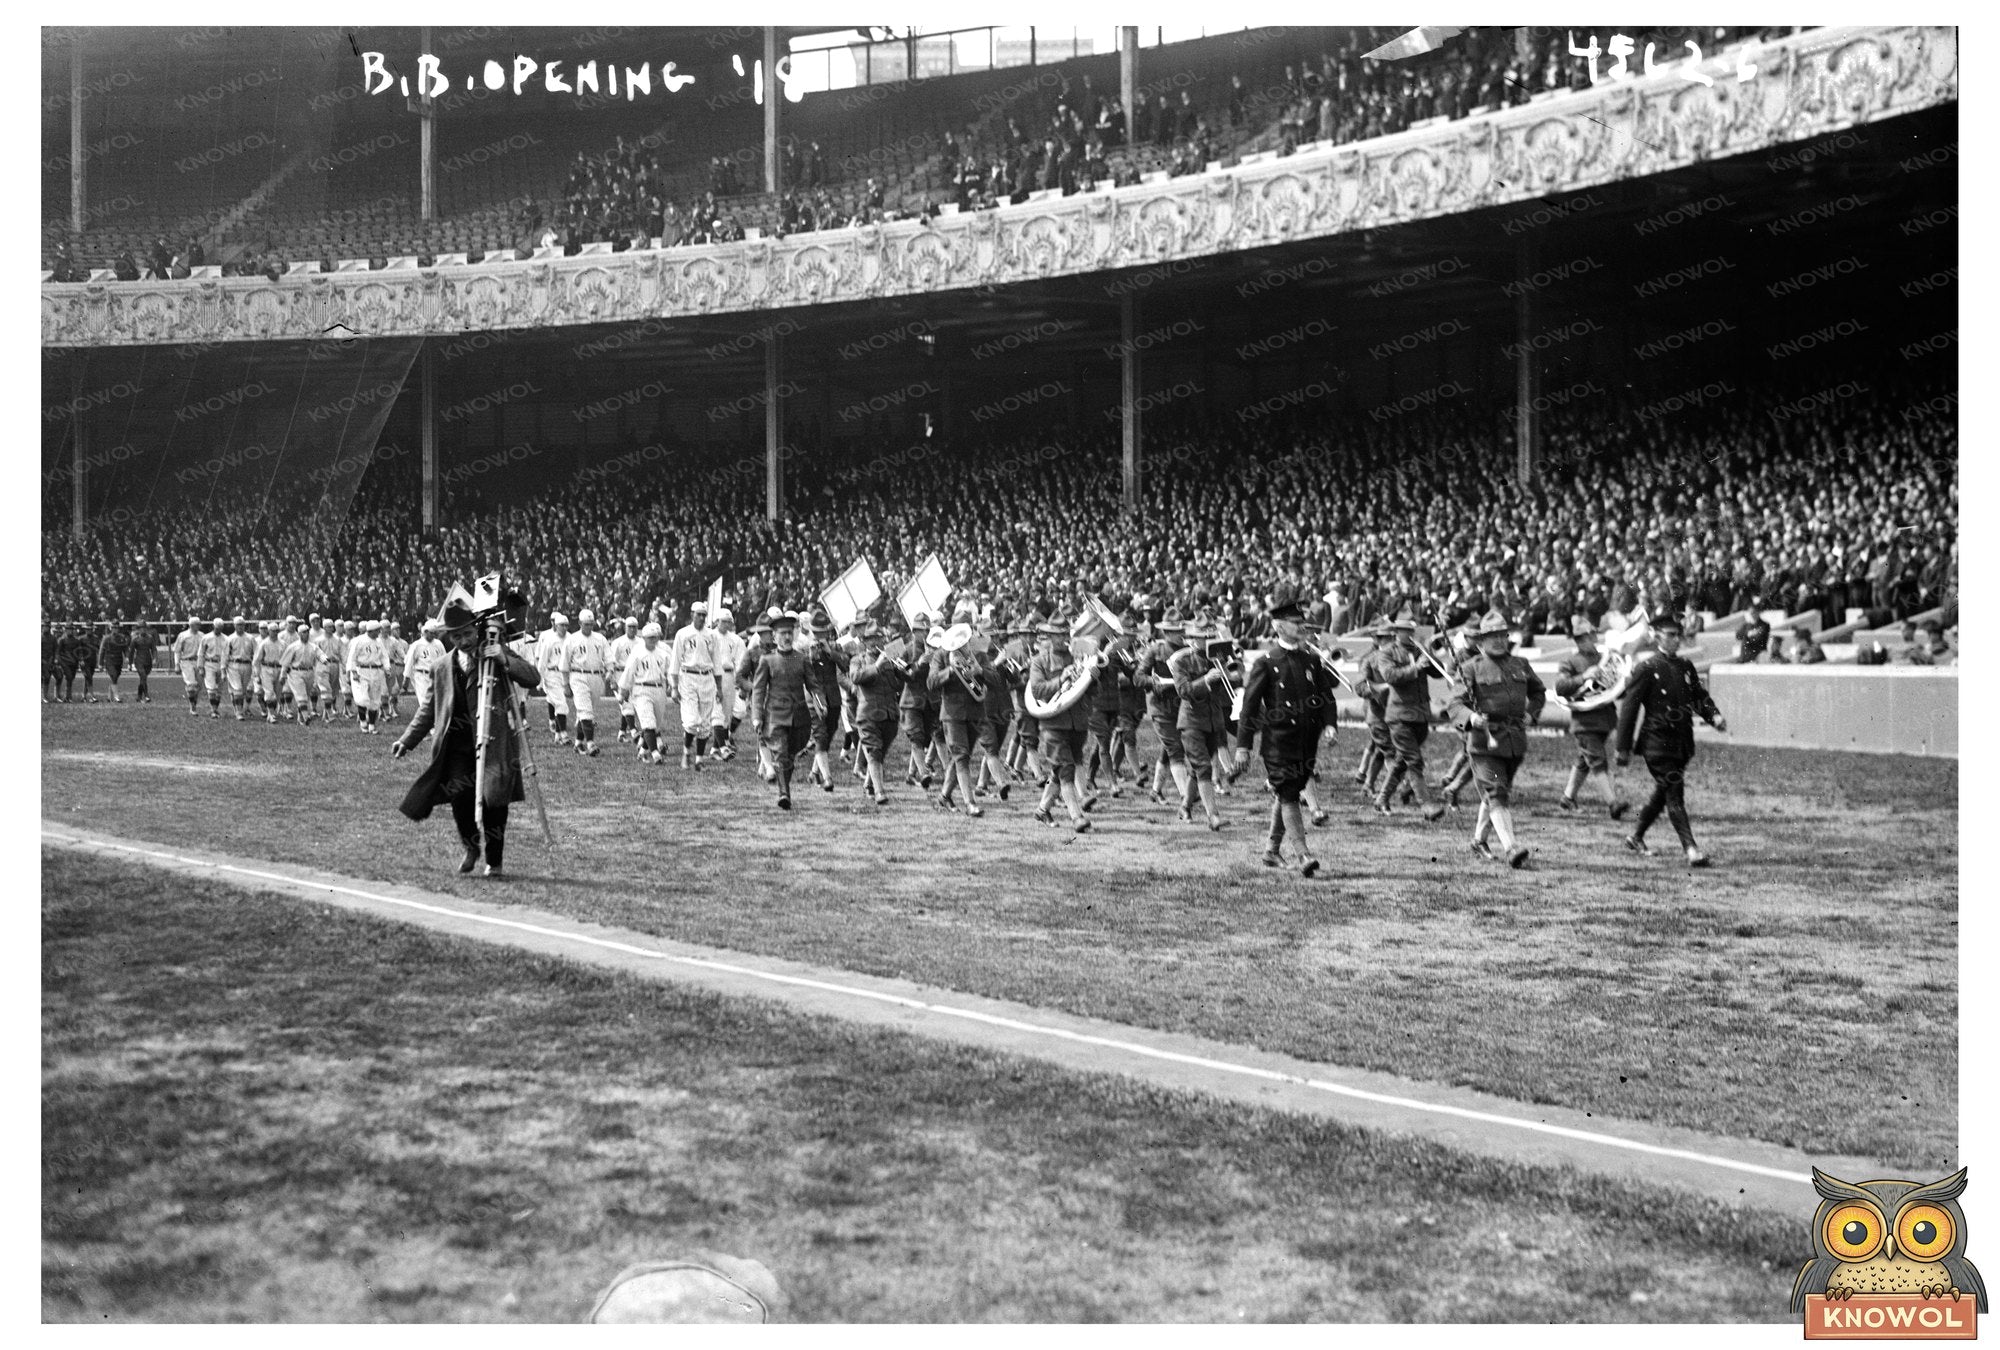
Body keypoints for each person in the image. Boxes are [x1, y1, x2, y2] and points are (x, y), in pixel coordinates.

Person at [392, 599, 543, 877]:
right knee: (461, 797)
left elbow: (533, 678)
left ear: (477, 629)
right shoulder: (441, 667)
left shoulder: (494, 654)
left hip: (494, 742)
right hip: (457, 747)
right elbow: (429, 709)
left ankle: (494, 861)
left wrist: (503, 659)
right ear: (449, 638)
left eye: (467, 634)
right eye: (456, 636)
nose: (463, 641)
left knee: (494, 802)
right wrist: (407, 740)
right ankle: (471, 847)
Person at [1234, 599, 1342, 876]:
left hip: (1306, 742)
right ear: (1279, 627)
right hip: (1278, 743)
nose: (1302, 627)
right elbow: (1248, 709)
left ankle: (1271, 851)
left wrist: (1331, 725)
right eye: (1296, 623)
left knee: (1287, 793)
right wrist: (1243, 747)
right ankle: (1303, 854)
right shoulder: (1266, 663)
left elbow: (1326, 698)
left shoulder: (1312, 660)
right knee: (1289, 794)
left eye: (1302, 622)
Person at [1613, 612, 1727, 867]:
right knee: (1674, 793)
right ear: (1656, 637)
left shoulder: (1685, 666)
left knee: (1664, 791)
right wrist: (1623, 748)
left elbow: (1699, 696)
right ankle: (1691, 849)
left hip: (1681, 742)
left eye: (1678, 635)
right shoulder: (1647, 668)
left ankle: (1636, 836)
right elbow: (1629, 710)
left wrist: (1714, 716)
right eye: (1671, 635)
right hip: (1656, 743)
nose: (1676, 639)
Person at [1447, 609, 1546, 869]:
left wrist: (1531, 714)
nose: (1499, 640)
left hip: (1514, 741)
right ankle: (1511, 848)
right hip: (1483, 743)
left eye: (1503, 635)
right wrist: (1470, 717)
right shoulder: (1469, 668)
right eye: (1492, 636)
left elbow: (1538, 693)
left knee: (1495, 794)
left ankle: (1478, 840)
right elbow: (1455, 703)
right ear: (1481, 641)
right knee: (1495, 791)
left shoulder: (1520, 664)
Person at [1373, 612, 1449, 820]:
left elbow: (1439, 673)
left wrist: (1430, 657)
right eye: (1405, 631)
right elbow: (1390, 676)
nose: (1409, 634)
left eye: (1411, 630)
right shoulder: (1387, 653)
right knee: (1413, 760)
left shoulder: (1419, 651)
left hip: (1420, 715)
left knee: (1401, 761)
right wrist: (1415, 667)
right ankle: (1426, 805)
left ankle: (1381, 799)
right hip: (1399, 716)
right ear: (1396, 633)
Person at [1553, 616, 1628, 818]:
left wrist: (1624, 684)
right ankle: (1612, 803)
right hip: (1584, 723)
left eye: (1590, 635)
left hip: (1604, 719)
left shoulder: (1605, 658)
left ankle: (1567, 799)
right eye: (1584, 637)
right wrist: (1584, 676)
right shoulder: (1569, 661)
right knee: (1597, 761)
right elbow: (1560, 687)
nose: (1590, 639)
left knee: (1585, 760)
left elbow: (1616, 689)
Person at [1028, 616, 1094, 833]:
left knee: (1061, 769)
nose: (1062, 639)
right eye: (1057, 635)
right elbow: (1037, 690)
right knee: (1065, 769)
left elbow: (1094, 692)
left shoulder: (1079, 657)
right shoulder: (1040, 661)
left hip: (1077, 722)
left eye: (1065, 634)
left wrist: (1094, 676)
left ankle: (1042, 809)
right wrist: (1061, 679)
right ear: (1050, 636)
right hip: (1053, 724)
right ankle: (1077, 817)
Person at [1169, 619, 1231, 831]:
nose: (1208, 641)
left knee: (1198, 769)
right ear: (1193, 639)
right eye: (1204, 637)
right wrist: (1206, 680)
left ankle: (1185, 807)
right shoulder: (1181, 660)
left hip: (1213, 721)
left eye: (1210, 637)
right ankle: (1213, 816)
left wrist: (1229, 672)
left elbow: (1232, 685)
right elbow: (1183, 690)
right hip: (1191, 721)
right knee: (1203, 767)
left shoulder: (1217, 658)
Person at [751, 612, 812, 809]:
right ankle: (784, 793)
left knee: (790, 753)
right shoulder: (767, 660)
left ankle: (784, 786)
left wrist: (820, 704)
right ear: (775, 636)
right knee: (780, 752)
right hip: (775, 715)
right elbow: (758, 689)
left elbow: (814, 686)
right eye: (782, 633)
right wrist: (756, 717)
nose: (786, 637)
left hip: (799, 717)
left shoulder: (802, 659)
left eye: (789, 633)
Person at [848, 618, 904, 804]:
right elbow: (856, 677)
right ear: (864, 642)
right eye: (870, 639)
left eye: (878, 638)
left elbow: (899, 684)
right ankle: (880, 792)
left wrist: (901, 668)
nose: (875, 643)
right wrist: (877, 666)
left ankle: (869, 785)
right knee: (874, 751)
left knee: (880, 753)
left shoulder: (889, 660)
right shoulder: (858, 660)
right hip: (868, 714)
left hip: (889, 714)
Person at [670, 601, 720, 769]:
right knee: (691, 721)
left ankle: (699, 759)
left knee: (705, 723)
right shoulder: (683, 634)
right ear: (692, 615)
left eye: (703, 615)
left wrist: (719, 688)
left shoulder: (712, 635)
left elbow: (717, 663)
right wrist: (674, 687)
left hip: (707, 677)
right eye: (698, 614)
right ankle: (686, 753)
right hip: (688, 677)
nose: (701, 618)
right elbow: (675, 662)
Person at [802, 614, 848, 793]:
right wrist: (811, 658)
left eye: (824, 632)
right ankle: (827, 778)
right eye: (817, 632)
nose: (820, 636)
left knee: (829, 733)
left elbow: (846, 666)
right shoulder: (805, 647)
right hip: (814, 697)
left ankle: (814, 772)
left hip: (833, 696)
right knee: (820, 735)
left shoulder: (835, 646)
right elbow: (801, 671)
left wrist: (831, 653)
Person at [617, 621, 673, 763]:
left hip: (659, 689)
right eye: (649, 637)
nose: (653, 640)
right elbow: (629, 672)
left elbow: (670, 673)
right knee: (648, 723)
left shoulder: (663, 654)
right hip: (641, 689)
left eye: (655, 637)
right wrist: (623, 691)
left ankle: (643, 751)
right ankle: (655, 754)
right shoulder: (637, 653)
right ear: (644, 638)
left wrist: (673, 686)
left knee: (656, 724)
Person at [561, 607, 611, 758]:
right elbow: (564, 664)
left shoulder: (600, 638)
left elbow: (608, 657)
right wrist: (565, 684)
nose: (589, 627)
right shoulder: (572, 639)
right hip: (578, 675)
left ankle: (578, 743)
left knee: (587, 712)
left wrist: (609, 671)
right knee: (585, 710)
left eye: (591, 624)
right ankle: (590, 743)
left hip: (596, 676)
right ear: (580, 623)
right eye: (586, 624)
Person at [709, 608, 744, 761]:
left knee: (726, 715)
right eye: (723, 621)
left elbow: (740, 661)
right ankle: (723, 747)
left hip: (729, 676)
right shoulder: (710, 637)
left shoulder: (736, 639)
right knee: (717, 712)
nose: (726, 624)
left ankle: (715, 749)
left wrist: (739, 681)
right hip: (714, 676)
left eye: (728, 622)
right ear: (717, 621)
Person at [404, 618, 447, 733]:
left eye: (435, 633)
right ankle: (432, 728)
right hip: (421, 675)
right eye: (431, 633)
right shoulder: (417, 645)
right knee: (425, 701)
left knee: (437, 699)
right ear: (425, 632)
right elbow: (409, 662)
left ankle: (435, 725)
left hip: (436, 675)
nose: (433, 635)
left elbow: (444, 659)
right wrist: (406, 678)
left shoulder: (438, 644)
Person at [349, 619, 392, 733]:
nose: (379, 633)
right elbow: (352, 657)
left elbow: (384, 656)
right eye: (377, 631)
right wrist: (353, 672)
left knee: (375, 699)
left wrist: (387, 668)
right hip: (362, 670)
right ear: (371, 630)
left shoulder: (379, 642)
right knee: (362, 698)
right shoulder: (359, 641)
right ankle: (363, 722)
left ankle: (372, 725)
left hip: (376, 671)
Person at [536, 612, 572, 743]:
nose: (564, 628)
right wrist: (541, 680)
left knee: (559, 704)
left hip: (565, 674)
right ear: (556, 626)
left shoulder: (570, 639)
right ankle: (564, 734)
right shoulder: (549, 640)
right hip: (552, 674)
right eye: (562, 625)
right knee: (561, 703)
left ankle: (557, 735)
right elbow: (542, 663)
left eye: (566, 625)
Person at [282, 621, 322, 725]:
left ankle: (300, 719)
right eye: (304, 632)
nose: (306, 634)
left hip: (309, 672)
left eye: (307, 632)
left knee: (306, 695)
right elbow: (286, 662)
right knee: (302, 696)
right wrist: (283, 675)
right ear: (299, 634)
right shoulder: (293, 646)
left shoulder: (313, 646)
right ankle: (306, 717)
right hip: (296, 672)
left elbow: (318, 660)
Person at [605, 617, 635, 743]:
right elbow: (611, 661)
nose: (632, 629)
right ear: (625, 627)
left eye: (634, 627)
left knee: (630, 703)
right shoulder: (618, 642)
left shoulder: (640, 642)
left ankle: (622, 733)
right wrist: (612, 680)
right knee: (626, 704)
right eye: (630, 627)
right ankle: (634, 731)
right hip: (620, 673)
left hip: (633, 675)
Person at [226, 615, 258, 722]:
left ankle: (238, 708)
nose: (240, 627)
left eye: (242, 625)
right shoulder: (230, 638)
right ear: (234, 626)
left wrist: (256, 666)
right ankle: (239, 712)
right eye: (238, 625)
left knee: (243, 690)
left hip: (247, 665)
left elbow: (256, 653)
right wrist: (223, 668)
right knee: (238, 689)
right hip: (234, 665)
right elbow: (225, 654)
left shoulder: (250, 638)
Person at [198, 615, 229, 718]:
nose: (218, 630)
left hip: (221, 663)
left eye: (220, 628)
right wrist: (201, 667)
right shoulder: (206, 638)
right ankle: (213, 710)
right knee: (211, 688)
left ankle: (216, 709)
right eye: (216, 628)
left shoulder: (226, 639)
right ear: (213, 626)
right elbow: (201, 653)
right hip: (209, 663)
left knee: (219, 689)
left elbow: (228, 653)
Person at [254, 621, 285, 722]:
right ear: (268, 631)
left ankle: (272, 712)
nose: (275, 633)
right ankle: (271, 714)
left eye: (276, 631)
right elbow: (257, 660)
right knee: (269, 692)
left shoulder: (283, 644)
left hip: (279, 668)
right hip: (266, 668)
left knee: (278, 693)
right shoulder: (264, 643)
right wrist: (257, 675)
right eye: (273, 631)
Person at [383, 621, 410, 722]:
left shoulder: (394, 641)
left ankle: (392, 709)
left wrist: (409, 661)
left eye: (389, 627)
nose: (388, 629)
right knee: (383, 690)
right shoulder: (378, 640)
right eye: (386, 627)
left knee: (394, 689)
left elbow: (402, 653)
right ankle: (383, 711)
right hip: (381, 667)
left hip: (392, 665)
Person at [129, 618, 157, 702]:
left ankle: (139, 696)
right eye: (141, 628)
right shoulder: (135, 639)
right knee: (143, 676)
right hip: (139, 661)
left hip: (148, 661)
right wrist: (130, 663)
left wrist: (154, 658)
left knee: (143, 679)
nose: (143, 630)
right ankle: (147, 695)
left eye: (144, 628)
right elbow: (131, 652)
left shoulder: (150, 638)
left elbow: (153, 649)